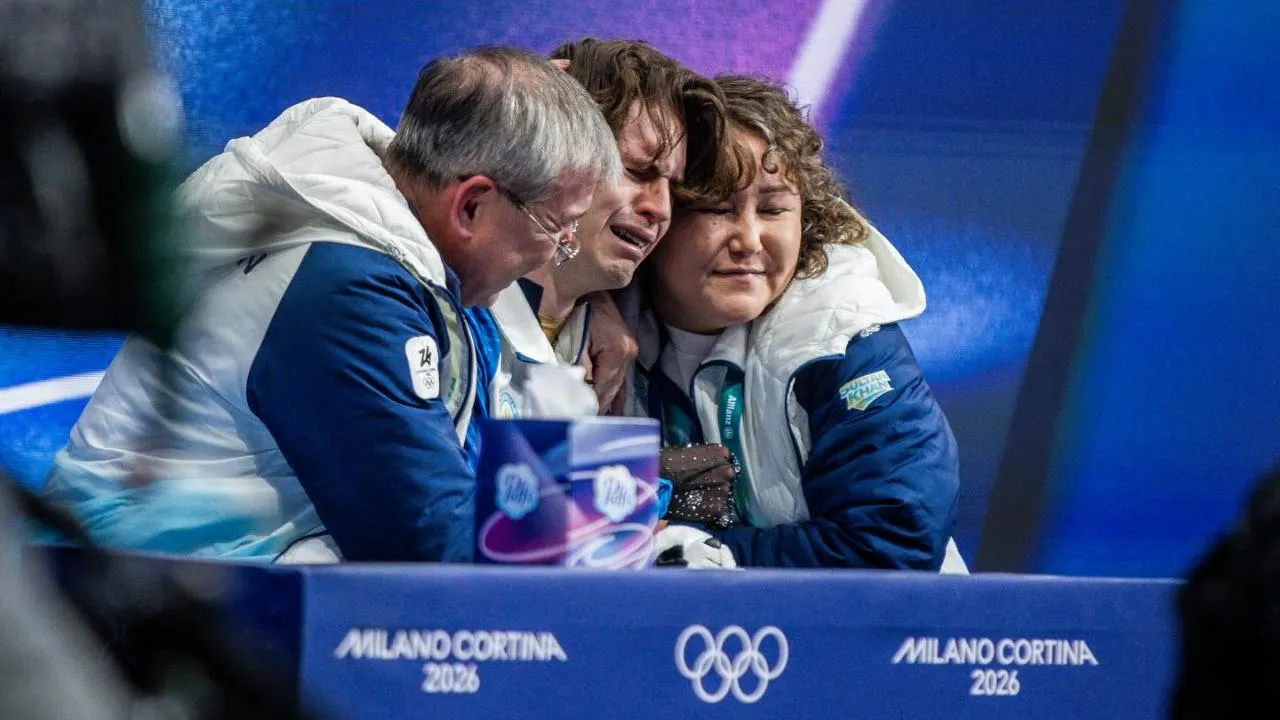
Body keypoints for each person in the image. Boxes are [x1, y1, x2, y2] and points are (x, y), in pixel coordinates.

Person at [41, 47, 621, 563]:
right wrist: (608, 527)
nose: (557, 252)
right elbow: (430, 542)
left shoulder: (411, 263)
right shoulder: (345, 287)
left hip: (191, 583)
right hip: (127, 607)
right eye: (558, 228)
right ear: (471, 206)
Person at [623, 75, 966, 571]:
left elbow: (893, 543)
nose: (749, 238)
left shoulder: (841, 331)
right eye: (717, 207)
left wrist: (696, 554)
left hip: (886, 641)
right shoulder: (600, 328)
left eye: (773, 208)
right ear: (659, 214)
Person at [470, 38, 736, 419]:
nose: (659, 209)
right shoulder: (440, 302)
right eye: (636, 170)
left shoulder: (598, 343)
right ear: (554, 143)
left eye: (673, 191)